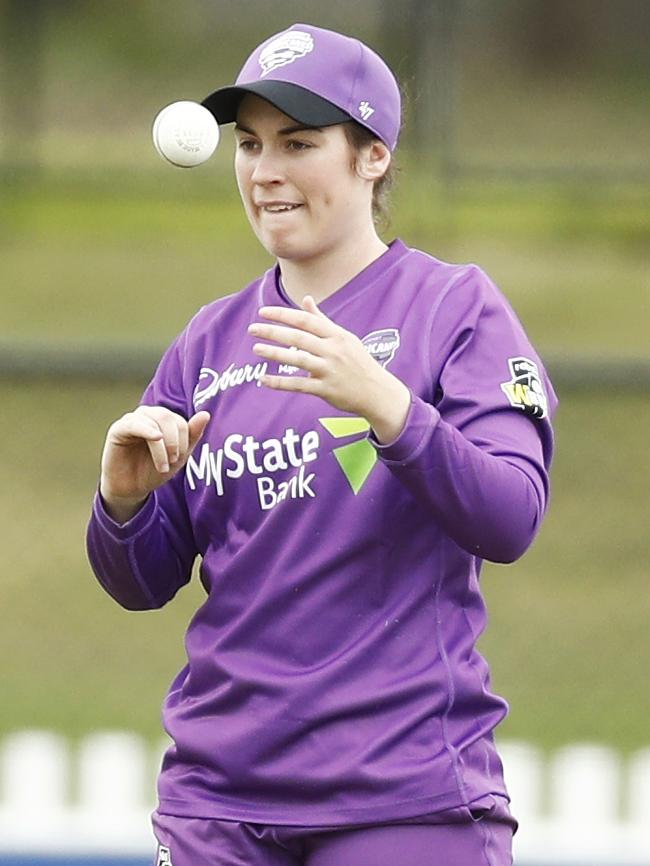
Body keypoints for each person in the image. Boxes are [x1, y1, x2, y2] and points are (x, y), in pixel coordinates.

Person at [86, 22, 557, 866]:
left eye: (299, 142)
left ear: (371, 155)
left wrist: (387, 405)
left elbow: (511, 515)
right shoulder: (209, 339)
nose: (266, 171)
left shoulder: (455, 308)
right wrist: (123, 502)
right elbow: (143, 580)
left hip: (400, 798)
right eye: (251, 143)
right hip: (217, 801)